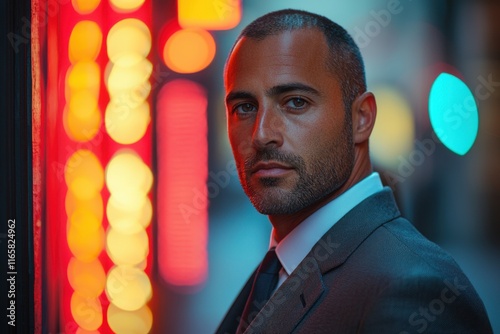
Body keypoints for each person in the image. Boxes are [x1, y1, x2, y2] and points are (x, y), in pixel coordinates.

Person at [216, 9, 493, 334]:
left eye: (295, 102)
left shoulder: (414, 292)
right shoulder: (278, 267)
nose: (261, 134)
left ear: (362, 118)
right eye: (244, 107)